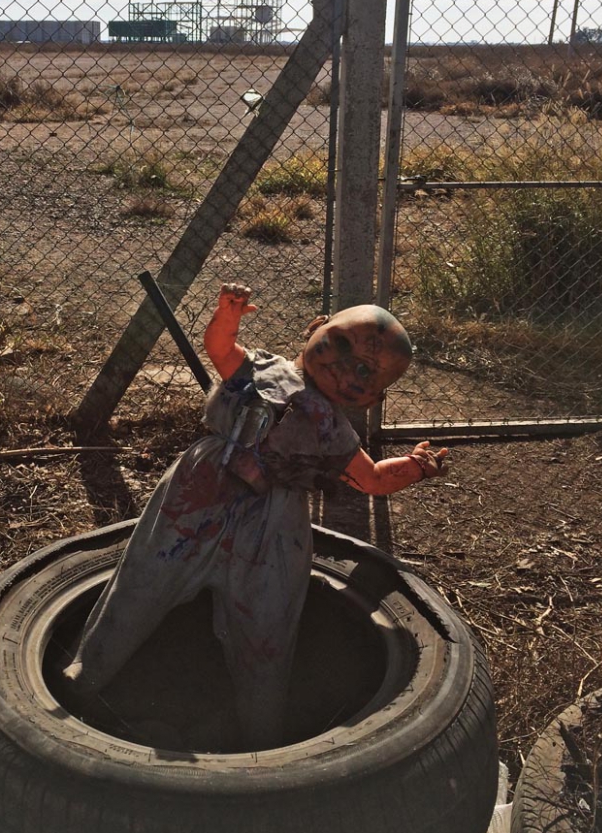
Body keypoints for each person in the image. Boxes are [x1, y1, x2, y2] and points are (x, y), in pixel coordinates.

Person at [64, 284, 447, 749]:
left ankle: (261, 725)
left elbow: (371, 480)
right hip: (194, 501)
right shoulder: (262, 370)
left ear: (369, 398)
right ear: (314, 328)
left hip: (272, 529)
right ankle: (88, 672)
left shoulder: (334, 432)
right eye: (342, 343)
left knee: (266, 620)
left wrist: (415, 467)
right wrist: (228, 316)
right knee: (143, 580)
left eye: (365, 371)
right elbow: (220, 349)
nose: (346, 366)